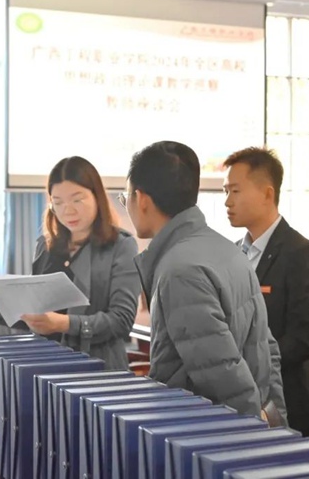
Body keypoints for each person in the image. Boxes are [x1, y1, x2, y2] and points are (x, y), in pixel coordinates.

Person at [122, 140, 287, 422]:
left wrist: (254, 429)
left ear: (142, 199)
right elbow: (267, 349)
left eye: (125, 197)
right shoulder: (227, 250)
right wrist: (274, 418)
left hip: (202, 432)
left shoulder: (180, 271)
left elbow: (223, 374)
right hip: (241, 423)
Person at [0, 156, 140, 369]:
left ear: (97, 197)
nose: (68, 210)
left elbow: (121, 321)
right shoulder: (46, 246)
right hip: (46, 366)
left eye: (77, 200)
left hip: (99, 369)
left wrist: (64, 324)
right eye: (58, 202)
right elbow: (32, 316)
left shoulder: (120, 245)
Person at [223, 147, 309, 437]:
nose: (227, 201)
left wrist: (250, 363)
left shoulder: (301, 253)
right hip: (240, 401)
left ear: (267, 194)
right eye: (225, 191)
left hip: (288, 407)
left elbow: (306, 339)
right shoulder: (232, 254)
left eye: (235, 191)